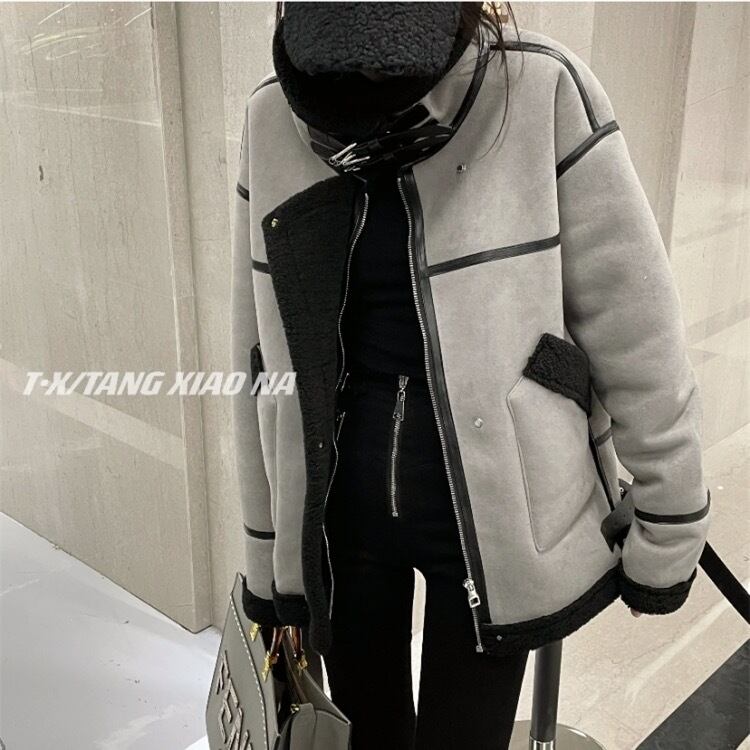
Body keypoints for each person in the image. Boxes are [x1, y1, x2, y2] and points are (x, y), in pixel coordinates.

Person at [230, 3, 711, 748]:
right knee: (363, 737)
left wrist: (669, 519)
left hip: (498, 512)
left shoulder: (540, 89)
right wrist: (267, 555)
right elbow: (260, 355)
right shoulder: (271, 117)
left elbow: (635, 327)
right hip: (337, 512)